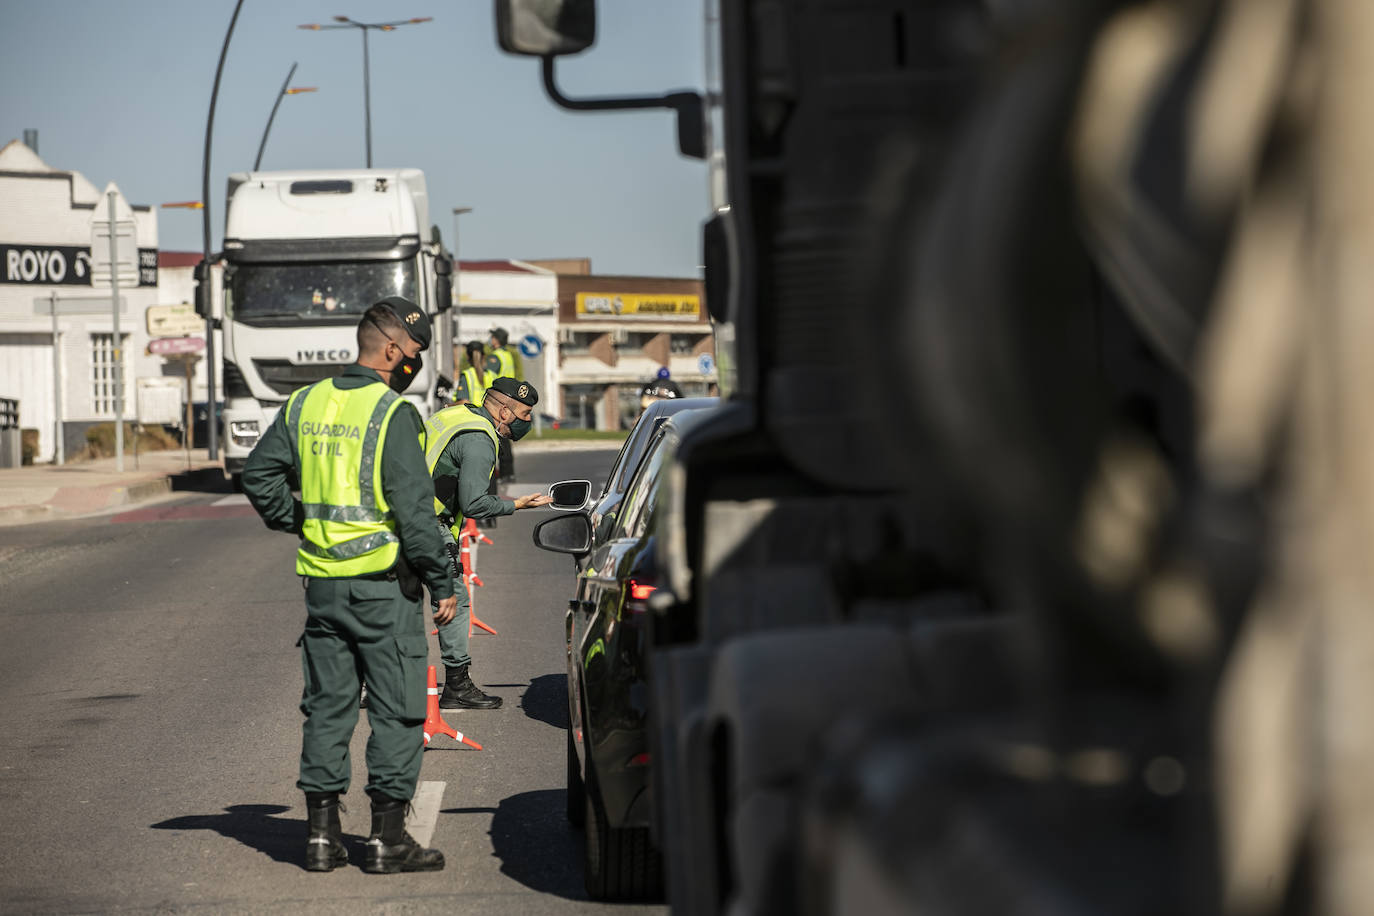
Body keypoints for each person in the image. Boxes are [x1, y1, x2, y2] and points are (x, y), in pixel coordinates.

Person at [242, 296, 455, 875]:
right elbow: (415, 514)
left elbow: (258, 475)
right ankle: (387, 842)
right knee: (398, 711)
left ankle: (320, 839)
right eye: (412, 351)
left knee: (328, 711)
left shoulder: (303, 404)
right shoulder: (393, 414)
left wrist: (303, 521)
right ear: (391, 349)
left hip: (323, 591)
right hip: (383, 591)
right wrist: (442, 582)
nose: (413, 361)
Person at [422, 376, 554, 709]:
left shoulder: (454, 414)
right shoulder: (480, 439)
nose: (526, 422)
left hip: (398, 519)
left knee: (393, 604)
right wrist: (518, 504)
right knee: (454, 600)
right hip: (427, 525)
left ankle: (367, 683)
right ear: (505, 413)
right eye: (525, 415)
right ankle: (457, 686)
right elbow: (475, 503)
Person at [486, 329, 522, 481]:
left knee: (493, 437)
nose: (490, 340)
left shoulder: (495, 357)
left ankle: (495, 472)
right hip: (509, 400)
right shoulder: (508, 356)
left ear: (496, 340)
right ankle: (508, 472)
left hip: (497, 402)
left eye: (492, 337)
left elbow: (488, 378)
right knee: (505, 436)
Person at [454, 340, 495, 406]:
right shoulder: (491, 375)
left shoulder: (467, 375)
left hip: (472, 415)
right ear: (483, 356)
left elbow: (464, 401)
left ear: (467, 357)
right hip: (487, 415)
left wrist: (448, 406)